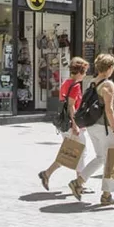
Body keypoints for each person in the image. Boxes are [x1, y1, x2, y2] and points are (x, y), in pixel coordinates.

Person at [69, 53, 114, 207]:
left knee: (100, 157)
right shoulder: (108, 85)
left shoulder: (92, 82)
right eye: (113, 66)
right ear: (110, 67)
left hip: (92, 125)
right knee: (112, 160)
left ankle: (78, 182)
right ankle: (107, 195)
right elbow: (109, 110)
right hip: (104, 127)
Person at [39, 57, 90, 191]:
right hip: (71, 124)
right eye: (84, 72)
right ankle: (79, 183)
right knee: (80, 151)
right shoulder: (75, 86)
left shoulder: (66, 83)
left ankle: (47, 174)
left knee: (70, 152)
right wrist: (75, 124)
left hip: (63, 124)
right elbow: (71, 106)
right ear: (79, 72)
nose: (85, 75)